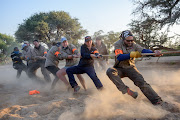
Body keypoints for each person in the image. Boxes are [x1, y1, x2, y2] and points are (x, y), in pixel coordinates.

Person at [106, 30, 163, 105]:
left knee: (142, 83)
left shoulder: (134, 44)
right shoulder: (117, 44)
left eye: (131, 40)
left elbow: (143, 50)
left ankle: (157, 101)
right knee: (110, 71)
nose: (130, 42)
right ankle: (126, 90)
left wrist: (153, 53)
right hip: (119, 68)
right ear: (123, 39)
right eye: (128, 41)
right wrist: (133, 54)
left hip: (130, 68)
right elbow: (119, 57)